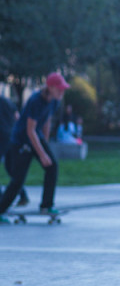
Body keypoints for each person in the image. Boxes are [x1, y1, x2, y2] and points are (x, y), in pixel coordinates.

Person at [0, 72, 69, 220]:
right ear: (50, 87)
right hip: (21, 140)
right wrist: (42, 154)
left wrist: (45, 144)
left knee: (52, 166)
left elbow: (46, 121)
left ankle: (46, 205)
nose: (62, 91)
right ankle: (1, 210)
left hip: (36, 136)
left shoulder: (55, 101)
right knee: (18, 180)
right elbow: (29, 129)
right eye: (59, 89)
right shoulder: (36, 100)